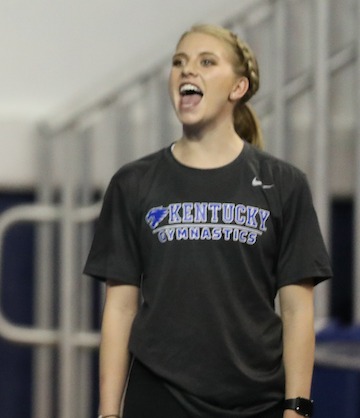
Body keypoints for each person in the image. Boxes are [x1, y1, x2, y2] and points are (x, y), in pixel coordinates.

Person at [86, 24, 331, 418]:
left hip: (257, 401)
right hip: (160, 397)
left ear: (237, 88)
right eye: (179, 63)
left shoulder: (283, 184)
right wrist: (108, 413)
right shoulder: (134, 183)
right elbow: (120, 309)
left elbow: (297, 312)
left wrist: (296, 408)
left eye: (206, 62)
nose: (187, 71)